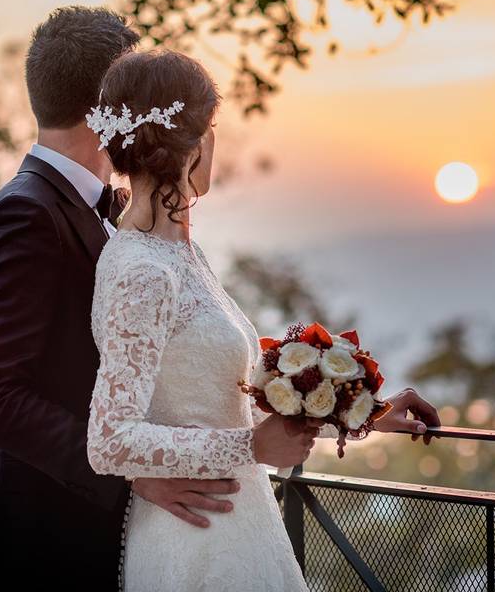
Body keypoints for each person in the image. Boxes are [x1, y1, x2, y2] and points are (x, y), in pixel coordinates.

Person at [86, 49, 441, 591]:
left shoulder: (181, 254)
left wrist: (359, 411)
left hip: (238, 524)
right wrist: (250, 450)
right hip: (196, 540)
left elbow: (211, 405)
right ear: (196, 144)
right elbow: (109, 440)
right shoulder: (142, 270)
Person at [0, 7, 244, 591]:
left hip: (119, 537)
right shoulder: (24, 214)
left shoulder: (114, 212)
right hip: (48, 543)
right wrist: (133, 476)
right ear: (108, 103)